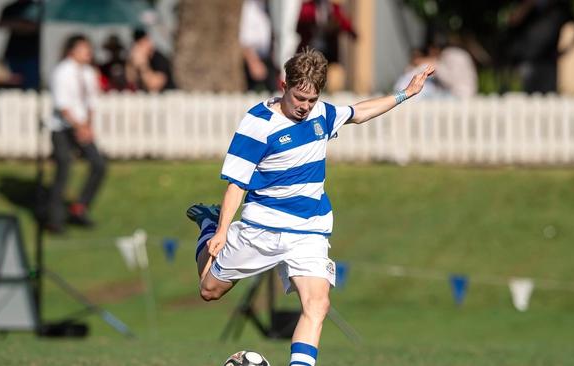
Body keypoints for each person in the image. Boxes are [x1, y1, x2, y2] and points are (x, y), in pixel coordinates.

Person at [186, 49, 434, 366]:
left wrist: (405, 94)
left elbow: (359, 111)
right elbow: (236, 183)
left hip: (309, 230)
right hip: (262, 226)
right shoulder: (257, 124)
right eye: (299, 98)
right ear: (283, 85)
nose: (305, 107)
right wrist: (220, 230)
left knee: (317, 304)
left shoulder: (321, 114)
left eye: (311, 100)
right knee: (209, 290)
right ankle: (207, 223)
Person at [46, 35, 106, 233]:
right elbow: (63, 106)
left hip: (82, 126)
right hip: (63, 128)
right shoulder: (62, 72)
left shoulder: (88, 73)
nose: (88, 52)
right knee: (64, 168)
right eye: (83, 48)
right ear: (72, 50)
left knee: (98, 164)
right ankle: (55, 220)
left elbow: (91, 103)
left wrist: (87, 126)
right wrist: (79, 127)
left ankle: (79, 207)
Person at [0, 0, 41, 90]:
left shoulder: (36, 7)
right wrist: (23, 25)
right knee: (10, 86)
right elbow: (0, 24)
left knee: (31, 89)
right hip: (12, 54)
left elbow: (34, 27)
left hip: (31, 55)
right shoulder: (11, 8)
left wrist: (15, 24)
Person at [239, 0, 278, 92]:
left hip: (272, 59)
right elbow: (245, 40)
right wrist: (253, 63)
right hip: (256, 59)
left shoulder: (272, 7)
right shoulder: (251, 7)